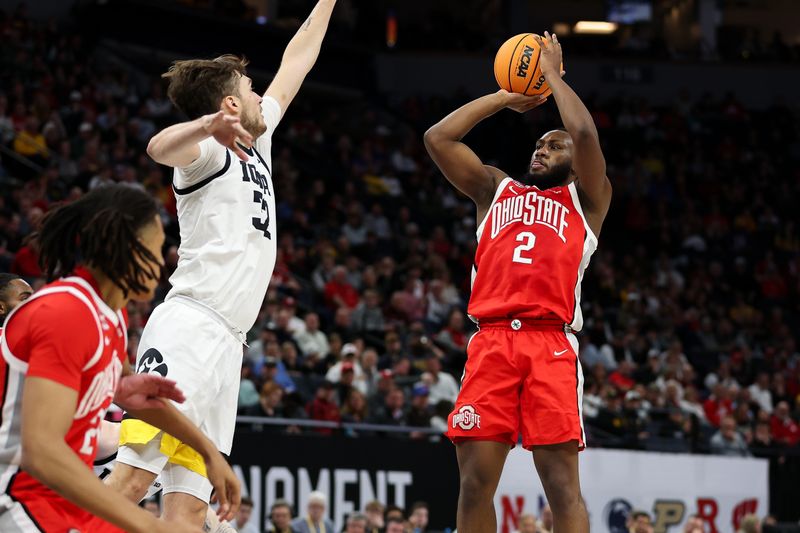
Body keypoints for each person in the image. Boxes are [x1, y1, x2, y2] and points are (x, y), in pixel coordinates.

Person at [106, 0, 338, 528]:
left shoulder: (261, 141)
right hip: (190, 324)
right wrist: (209, 124)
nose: (264, 95)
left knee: (189, 507)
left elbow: (296, 61)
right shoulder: (209, 151)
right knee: (133, 479)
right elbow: (158, 148)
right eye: (252, 90)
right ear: (231, 103)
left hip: (229, 342)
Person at [424, 32, 610, 533]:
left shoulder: (587, 203)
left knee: (561, 488)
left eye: (554, 144)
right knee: (473, 485)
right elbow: (438, 139)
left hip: (550, 343)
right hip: (491, 341)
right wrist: (506, 98)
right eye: (539, 142)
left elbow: (587, 137)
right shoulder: (494, 189)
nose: (542, 147)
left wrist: (551, 75)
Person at [0, 185, 239, 532]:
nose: (161, 263)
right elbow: (41, 453)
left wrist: (207, 450)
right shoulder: (64, 312)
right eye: (154, 250)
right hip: (17, 500)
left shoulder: (111, 317)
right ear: (122, 247)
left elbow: (130, 392)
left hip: (61, 499)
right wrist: (151, 525)